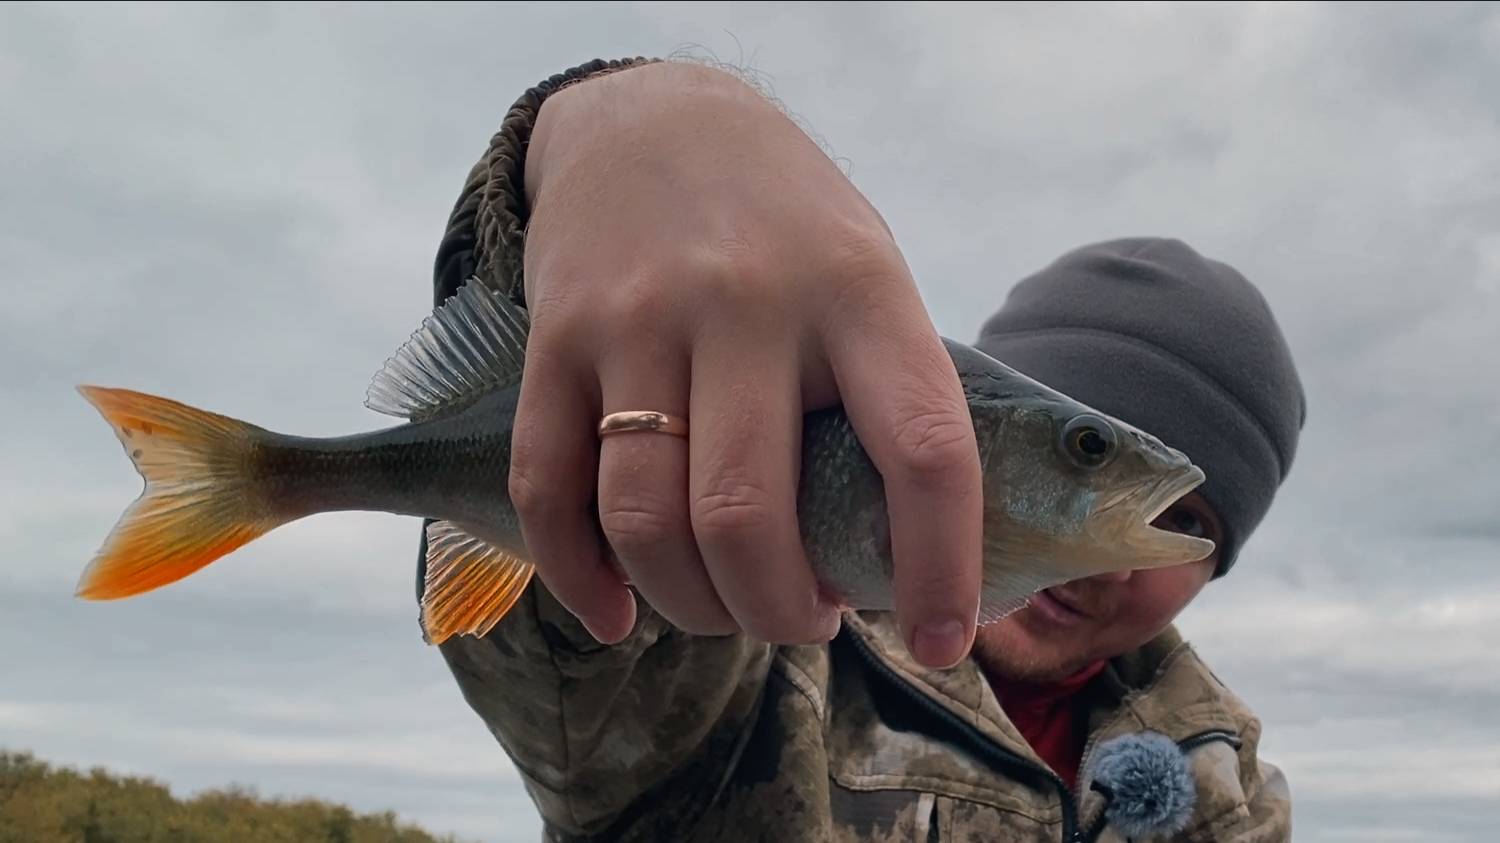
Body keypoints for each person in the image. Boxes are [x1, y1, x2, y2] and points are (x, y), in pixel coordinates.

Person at [418, 57, 1305, 842]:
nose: (1105, 571)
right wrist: (595, 138)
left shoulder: (1227, 797)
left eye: (1188, 518)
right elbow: (577, 645)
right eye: (1083, 448)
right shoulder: (758, 630)